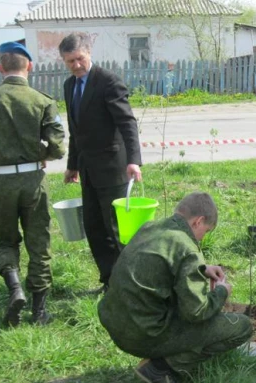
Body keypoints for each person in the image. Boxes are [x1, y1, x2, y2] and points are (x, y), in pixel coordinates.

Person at [98, 192, 252, 383]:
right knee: (242, 327)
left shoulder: (150, 227)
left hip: (114, 320)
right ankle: (160, 367)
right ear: (198, 221)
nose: (202, 238)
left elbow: (160, 265)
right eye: (205, 232)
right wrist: (222, 292)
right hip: (142, 334)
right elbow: (196, 312)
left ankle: (159, 361)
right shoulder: (187, 249)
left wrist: (201, 268)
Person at [0, 42, 66, 326]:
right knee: (39, 242)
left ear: (0, 68)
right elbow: (58, 147)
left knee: (5, 240)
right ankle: (40, 310)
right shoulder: (41, 100)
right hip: (32, 179)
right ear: (28, 67)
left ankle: (15, 287)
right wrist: (38, 155)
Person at [58, 32, 142, 292]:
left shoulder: (108, 82)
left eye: (79, 59)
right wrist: (72, 164)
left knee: (116, 229)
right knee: (94, 228)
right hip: (88, 169)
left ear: (89, 53)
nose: (76, 65)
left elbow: (127, 122)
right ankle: (110, 281)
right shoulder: (69, 86)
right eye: (70, 61)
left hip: (113, 168)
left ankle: (132, 286)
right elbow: (76, 130)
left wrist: (134, 160)